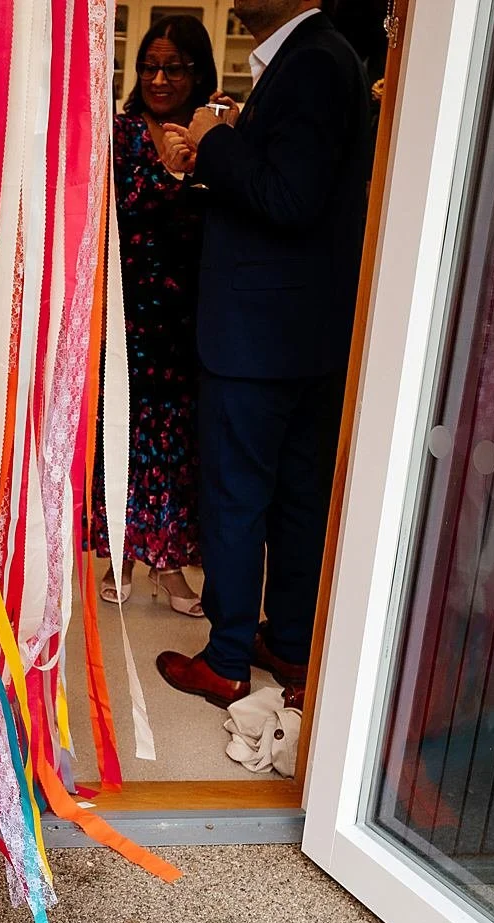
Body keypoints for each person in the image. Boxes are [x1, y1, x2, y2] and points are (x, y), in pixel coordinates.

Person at [151, 0, 371, 711]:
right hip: (302, 332)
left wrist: (216, 140)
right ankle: (292, 643)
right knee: (298, 498)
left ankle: (228, 659)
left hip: (258, 336)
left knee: (237, 500)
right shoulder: (325, 57)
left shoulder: (310, 62)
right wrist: (215, 158)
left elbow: (289, 198)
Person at [89, 15, 213, 617]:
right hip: (130, 309)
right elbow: (122, 209)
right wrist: (170, 169)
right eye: (149, 67)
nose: (159, 78)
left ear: (198, 71)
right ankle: (123, 554)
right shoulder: (121, 131)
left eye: (174, 67)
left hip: (192, 312)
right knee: (127, 433)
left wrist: (210, 147)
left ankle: (166, 560)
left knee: (175, 441)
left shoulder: (211, 129)